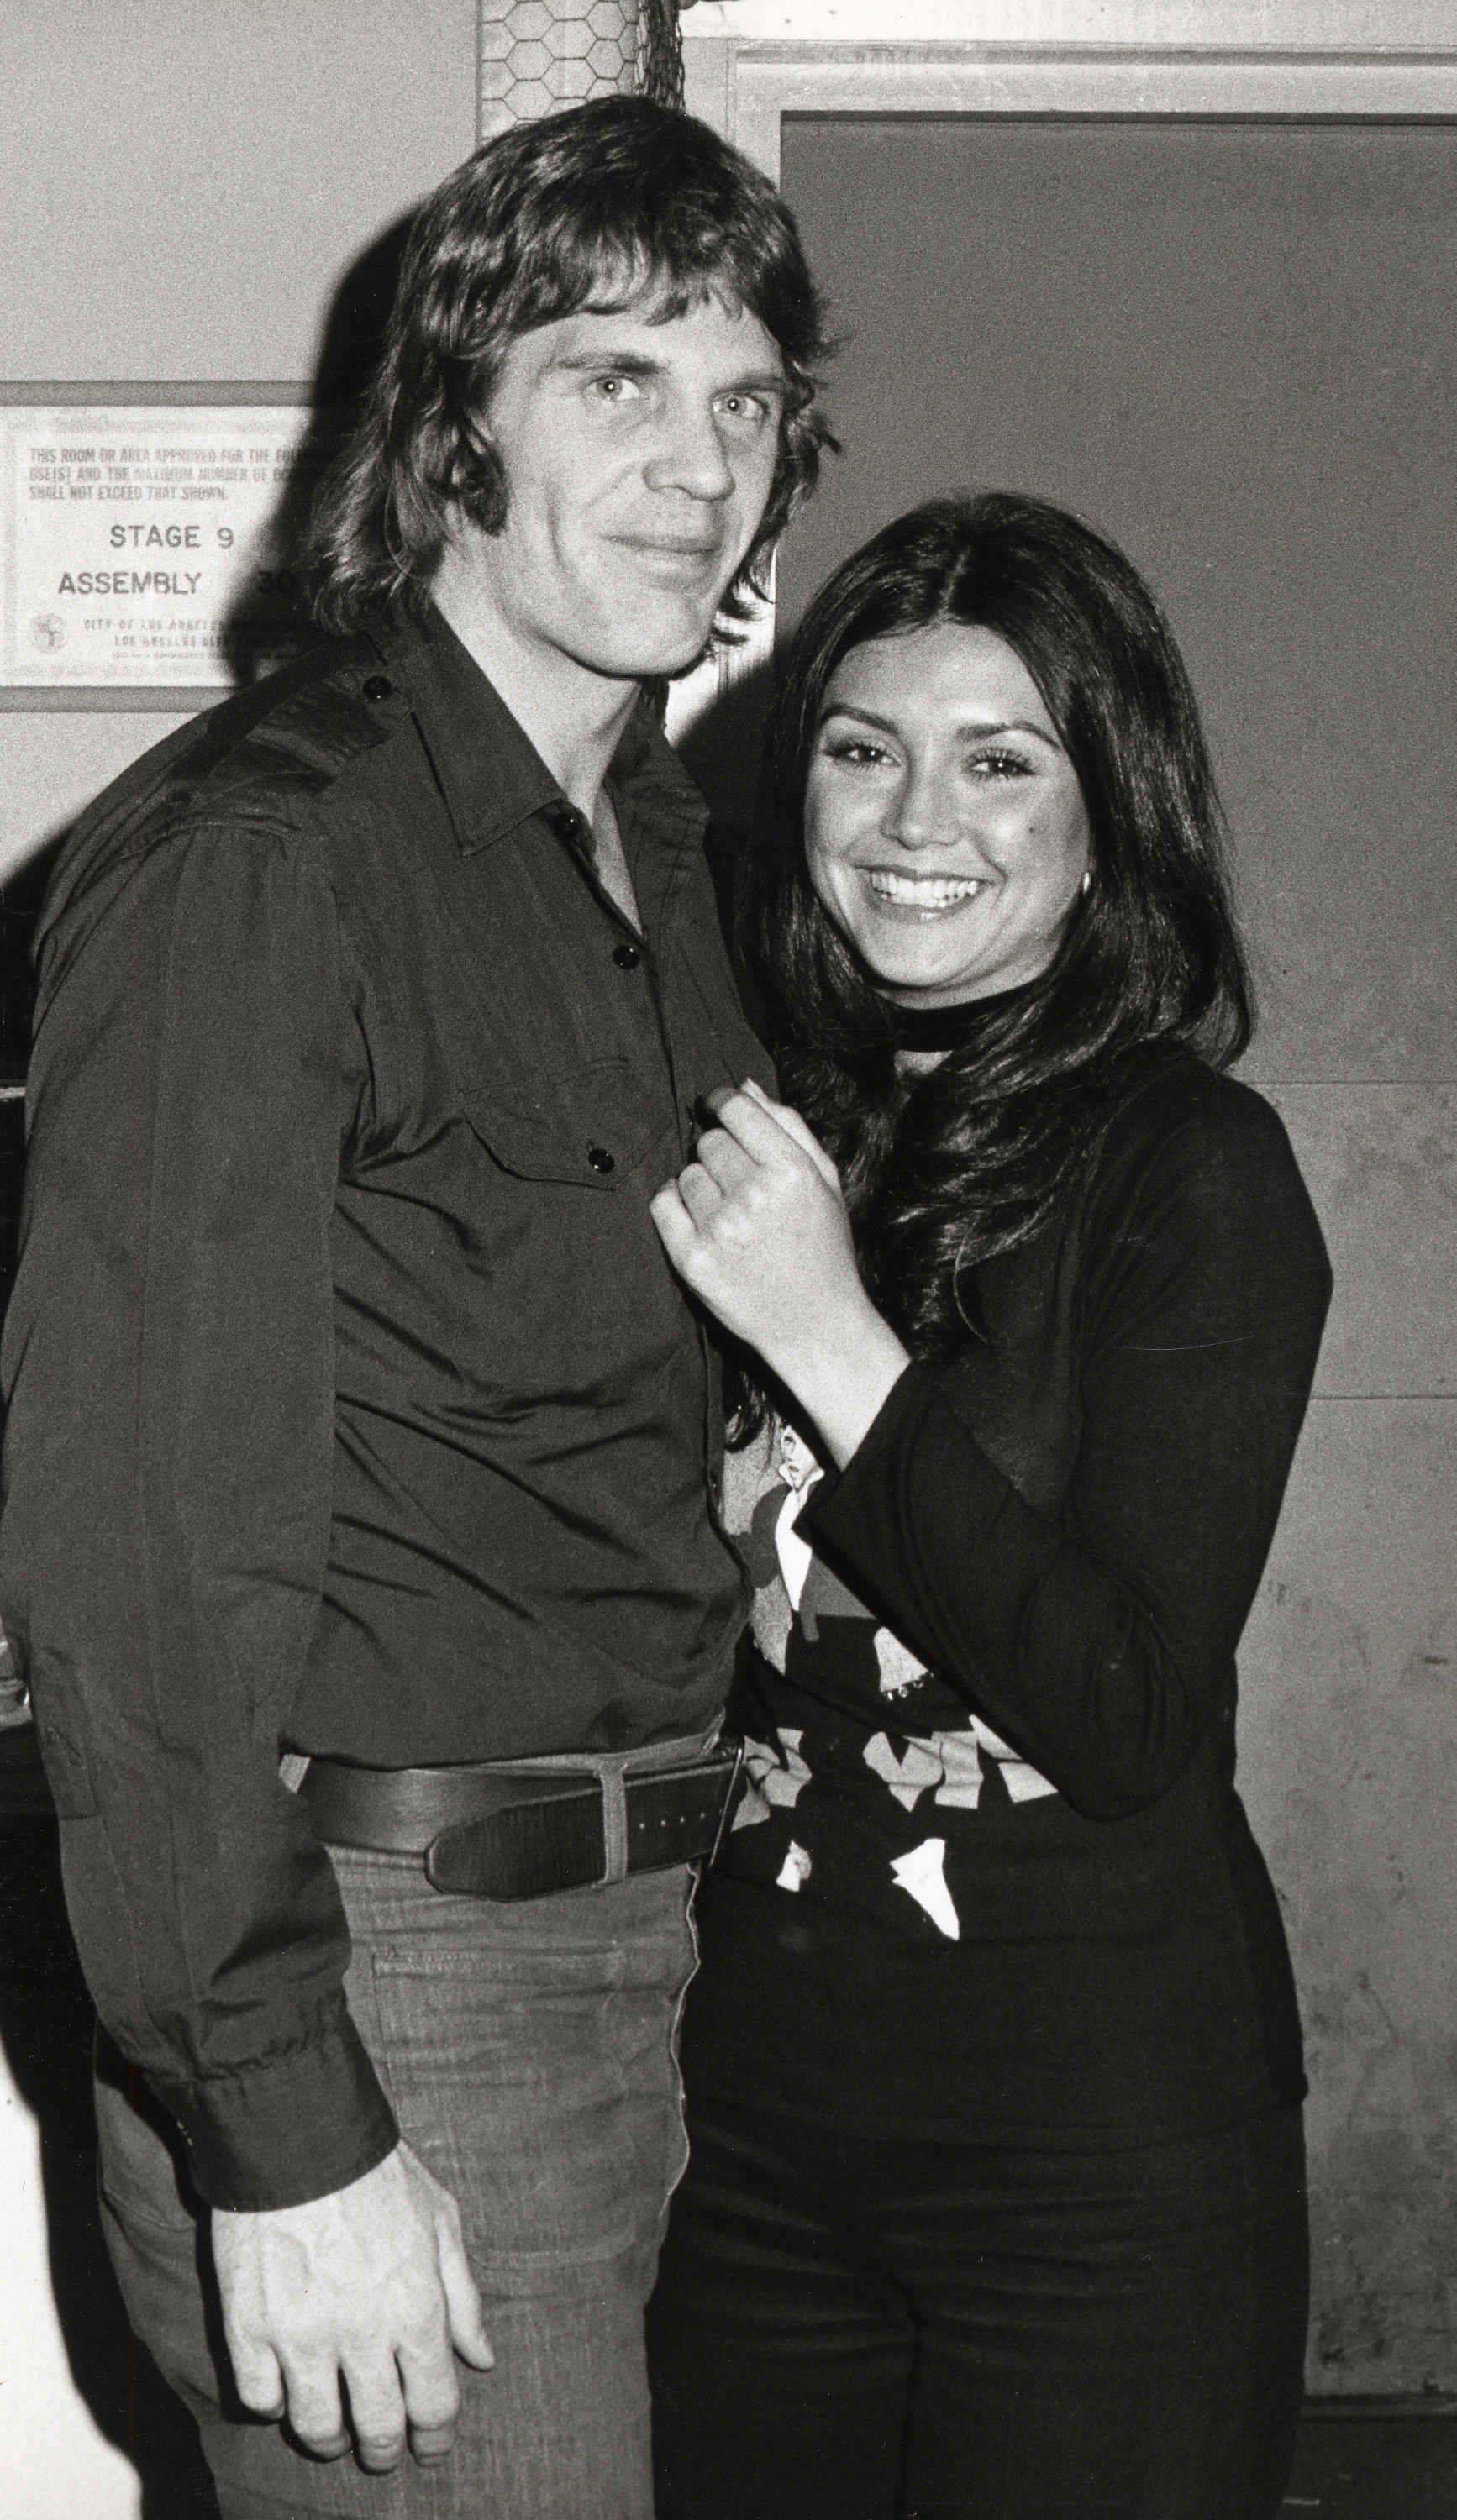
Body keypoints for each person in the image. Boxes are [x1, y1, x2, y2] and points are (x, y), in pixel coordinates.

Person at [0, 96, 830, 2520]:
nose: (699, 466)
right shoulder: (268, 860)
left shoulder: (651, 851)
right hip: (387, 1973)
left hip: (623, 1949)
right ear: (456, 416)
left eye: (745, 400)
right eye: (615, 381)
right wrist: (284, 2132)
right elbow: (138, 1568)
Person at [645, 491, 1333, 2520]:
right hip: (751, 2132)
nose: (913, 816)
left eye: (998, 759)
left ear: (1106, 814)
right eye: (860, 749)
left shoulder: (1194, 1170)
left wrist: (827, 1338)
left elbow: (1122, 1712)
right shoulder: (762, 1128)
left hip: (1097, 2155)